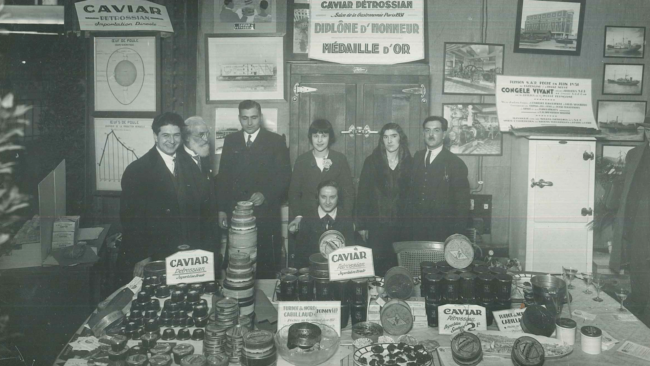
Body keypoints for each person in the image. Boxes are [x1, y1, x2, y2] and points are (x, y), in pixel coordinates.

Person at [118, 112, 213, 282]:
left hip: (190, 254)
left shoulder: (190, 165)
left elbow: (202, 209)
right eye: (166, 135)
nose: (172, 141)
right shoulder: (137, 170)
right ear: (155, 136)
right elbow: (131, 220)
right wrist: (142, 256)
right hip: (157, 254)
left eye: (176, 135)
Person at [216, 100, 291, 279]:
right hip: (237, 213)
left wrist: (266, 194)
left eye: (254, 118)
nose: (249, 123)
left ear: (261, 117)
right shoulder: (231, 140)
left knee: (265, 265)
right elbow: (223, 178)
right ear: (239, 118)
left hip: (265, 213)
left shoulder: (275, 141)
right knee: (237, 264)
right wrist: (221, 209)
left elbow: (285, 176)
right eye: (245, 118)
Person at [356, 123, 413, 276]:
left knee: (399, 268)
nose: (390, 141)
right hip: (377, 226)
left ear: (400, 138)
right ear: (382, 140)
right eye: (386, 137)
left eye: (393, 136)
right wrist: (362, 225)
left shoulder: (410, 163)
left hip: (402, 226)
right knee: (378, 268)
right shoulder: (372, 162)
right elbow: (363, 194)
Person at [610, 125, 650, 325]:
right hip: (636, 223)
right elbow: (627, 189)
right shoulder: (634, 154)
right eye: (649, 128)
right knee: (639, 269)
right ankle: (640, 312)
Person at [406, 116, 470, 242]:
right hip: (415, 231)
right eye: (427, 130)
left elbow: (462, 204)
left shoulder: (455, 163)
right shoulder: (417, 158)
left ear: (444, 134)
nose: (431, 134)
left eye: (436, 130)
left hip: (442, 231)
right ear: (423, 133)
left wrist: (456, 235)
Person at [288, 119, 355, 236]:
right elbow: (294, 192)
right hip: (308, 219)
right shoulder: (302, 161)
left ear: (330, 138)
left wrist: (345, 218)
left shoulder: (340, 159)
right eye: (315, 136)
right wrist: (298, 216)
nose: (319, 140)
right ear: (310, 137)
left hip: (335, 219)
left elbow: (348, 192)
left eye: (323, 136)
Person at [177, 116, 218, 254]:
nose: (206, 139)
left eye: (207, 133)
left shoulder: (202, 155)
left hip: (207, 231)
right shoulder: (177, 161)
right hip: (190, 235)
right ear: (187, 137)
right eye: (200, 135)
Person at [294, 180, 356, 269]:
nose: (327, 202)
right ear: (317, 197)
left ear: (338, 197)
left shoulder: (346, 218)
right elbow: (300, 256)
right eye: (323, 197)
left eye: (332, 197)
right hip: (313, 271)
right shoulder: (307, 219)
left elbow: (351, 253)